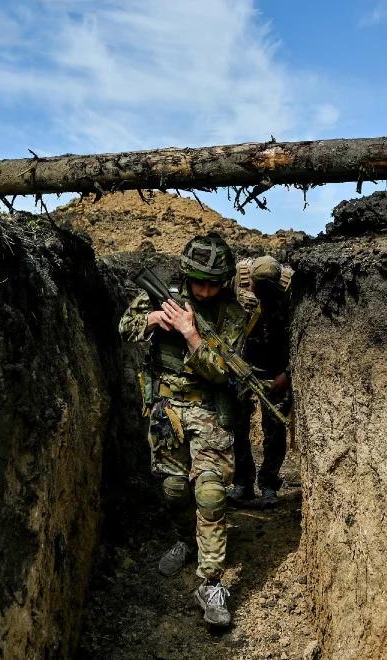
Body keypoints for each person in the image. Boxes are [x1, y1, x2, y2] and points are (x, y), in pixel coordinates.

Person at [118, 232, 258, 628]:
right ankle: (186, 539)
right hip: (167, 410)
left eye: (215, 283)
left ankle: (211, 582)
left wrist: (190, 333)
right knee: (173, 489)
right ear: (187, 273)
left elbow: (221, 372)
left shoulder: (233, 314)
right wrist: (151, 318)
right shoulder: (166, 295)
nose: (207, 290)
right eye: (200, 281)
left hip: (211, 410)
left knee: (211, 493)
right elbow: (124, 327)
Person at [227, 256, 294, 508]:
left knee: (274, 428)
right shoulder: (238, 281)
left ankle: (268, 484)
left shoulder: (289, 291)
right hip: (242, 364)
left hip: (277, 367)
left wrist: (287, 374)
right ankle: (242, 483)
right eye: (258, 286)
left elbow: (300, 336)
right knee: (237, 425)